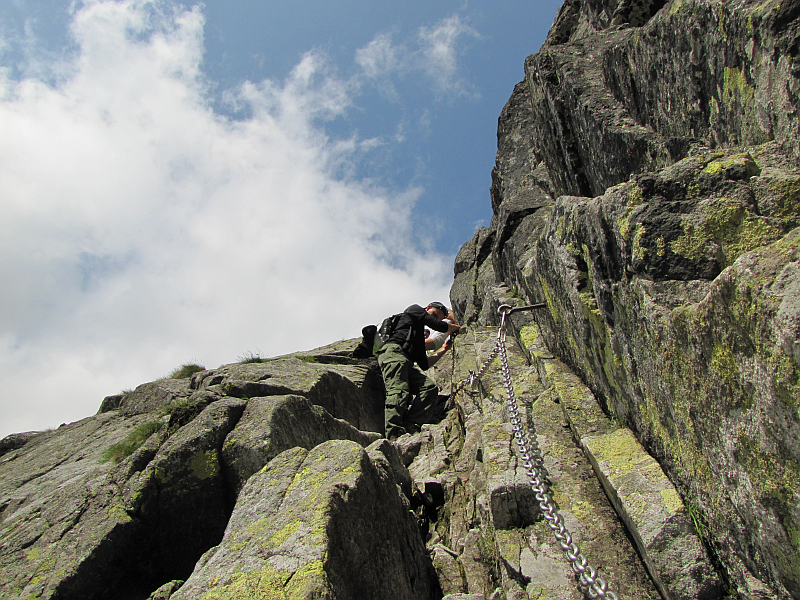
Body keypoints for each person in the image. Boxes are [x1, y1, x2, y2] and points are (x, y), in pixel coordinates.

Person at [376, 302, 460, 440]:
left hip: (406, 361)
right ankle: (393, 434)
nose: (435, 319)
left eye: (438, 318)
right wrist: (454, 325)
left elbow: (425, 364)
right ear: (428, 308)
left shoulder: (417, 337)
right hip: (394, 353)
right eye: (434, 315)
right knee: (398, 390)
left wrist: (444, 350)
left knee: (429, 388)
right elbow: (436, 324)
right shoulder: (413, 310)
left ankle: (410, 426)